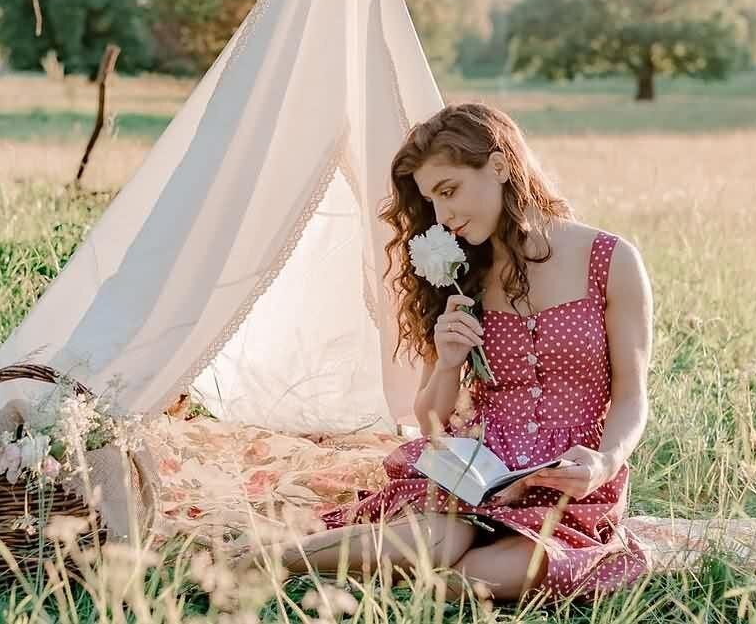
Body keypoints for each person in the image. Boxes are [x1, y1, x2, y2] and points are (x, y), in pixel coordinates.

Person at [280, 102, 654, 602]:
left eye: (449, 191)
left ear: (499, 166)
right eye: (431, 199)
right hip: (474, 472)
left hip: (568, 484)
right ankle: (272, 555)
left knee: (490, 575)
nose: (442, 215)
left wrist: (605, 462)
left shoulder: (610, 260)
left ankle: (388, 573)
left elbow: (632, 396)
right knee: (442, 540)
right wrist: (449, 362)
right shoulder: (459, 276)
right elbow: (430, 418)